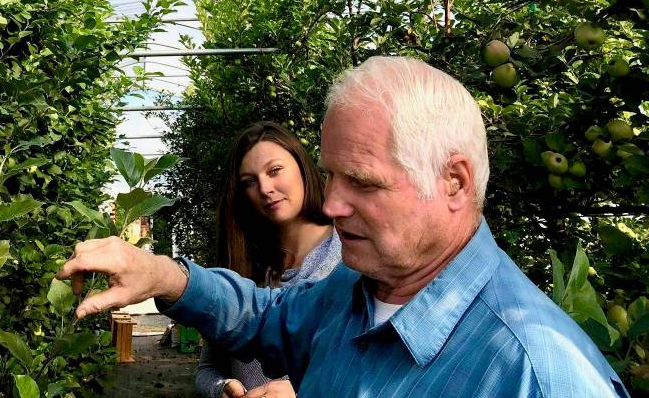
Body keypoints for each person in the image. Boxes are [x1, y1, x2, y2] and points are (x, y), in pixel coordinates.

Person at [59, 57, 629, 397]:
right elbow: (267, 317)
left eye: (363, 182)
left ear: (453, 182)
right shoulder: (356, 291)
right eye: (331, 176)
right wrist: (162, 275)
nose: (332, 205)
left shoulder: (537, 374)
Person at [195, 122, 341, 398]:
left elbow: (378, 368)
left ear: (302, 166)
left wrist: (304, 390)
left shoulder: (350, 260)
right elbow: (207, 368)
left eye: (274, 171)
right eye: (249, 182)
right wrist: (222, 388)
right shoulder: (241, 268)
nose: (264, 188)